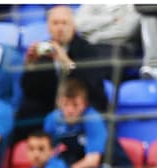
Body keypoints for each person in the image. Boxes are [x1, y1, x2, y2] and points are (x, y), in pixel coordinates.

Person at [11, 5, 109, 142]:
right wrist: (30, 65)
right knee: (27, 109)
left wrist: (66, 61)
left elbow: (92, 85)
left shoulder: (88, 49)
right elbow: (30, 91)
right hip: (52, 105)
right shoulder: (44, 51)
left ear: (73, 26)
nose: (60, 28)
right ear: (48, 27)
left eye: (64, 23)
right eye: (55, 23)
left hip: (81, 105)